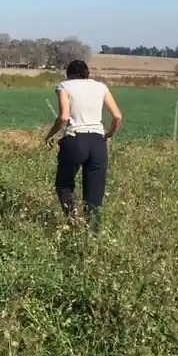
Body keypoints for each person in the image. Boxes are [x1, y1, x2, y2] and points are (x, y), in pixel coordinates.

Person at [42, 59, 122, 230]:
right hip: (98, 142)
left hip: (75, 139)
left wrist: (50, 135)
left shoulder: (65, 86)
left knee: (64, 184)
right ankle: (92, 233)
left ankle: (72, 221)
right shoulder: (101, 87)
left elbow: (64, 117)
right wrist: (108, 135)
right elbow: (117, 116)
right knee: (94, 195)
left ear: (68, 74)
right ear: (88, 74)